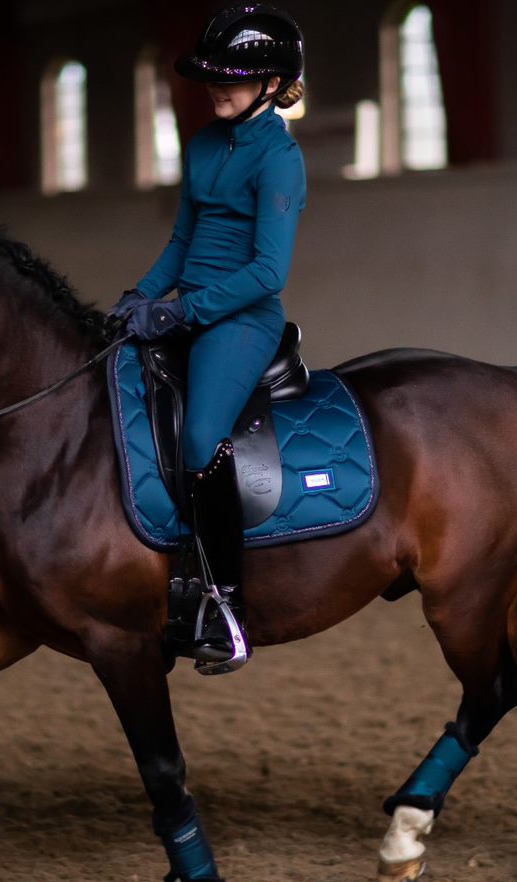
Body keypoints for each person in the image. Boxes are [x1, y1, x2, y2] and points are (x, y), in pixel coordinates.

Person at [109, 4, 306, 668]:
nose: (218, 88)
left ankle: (227, 606)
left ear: (273, 84)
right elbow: (182, 240)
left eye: (235, 78)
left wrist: (183, 313)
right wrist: (142, 295)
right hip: (189, 305)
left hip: (241, 319)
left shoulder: (280, 159)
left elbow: (268, 271)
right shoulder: (199, 144)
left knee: (199, 439)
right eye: (213, 77)